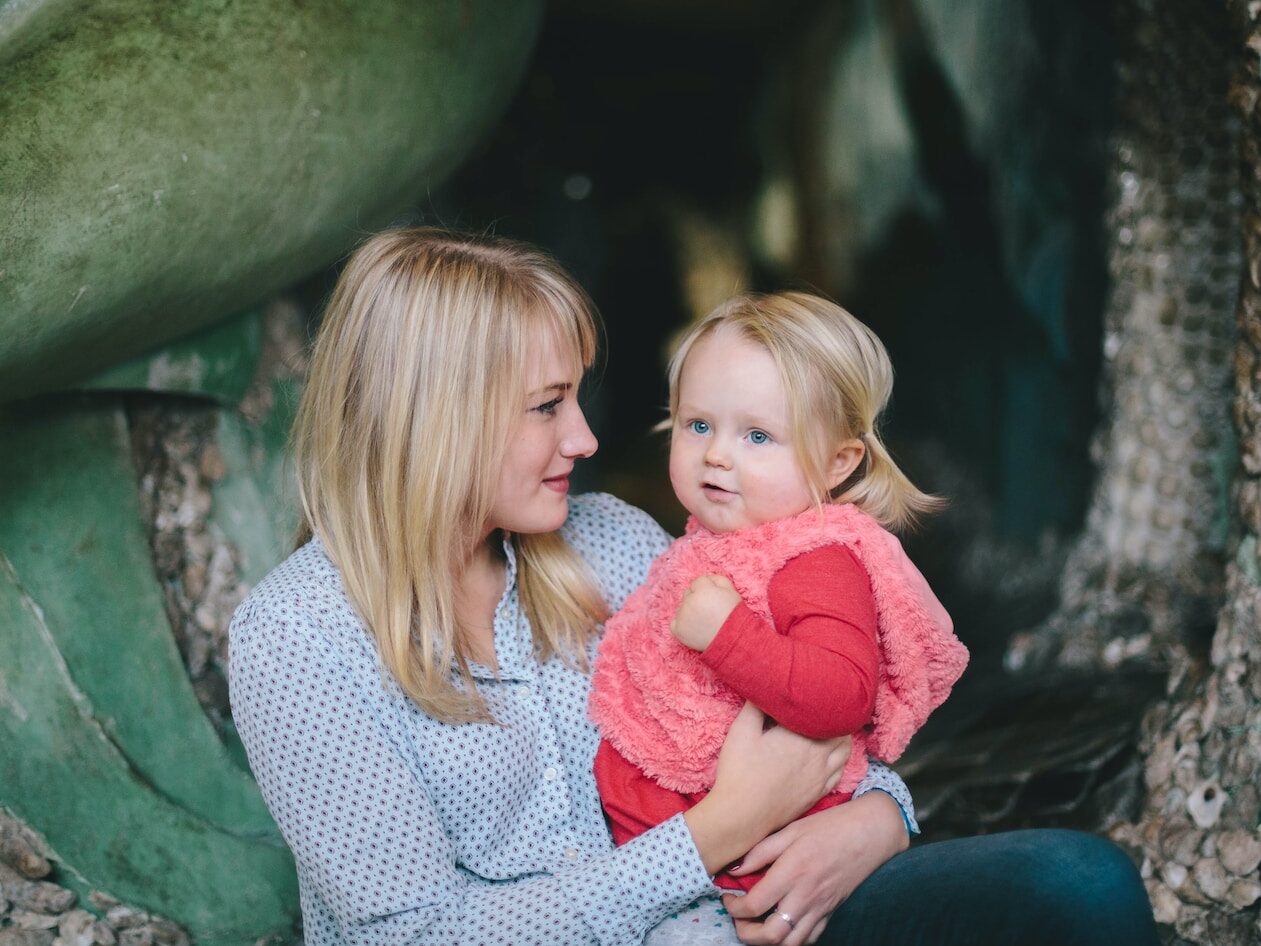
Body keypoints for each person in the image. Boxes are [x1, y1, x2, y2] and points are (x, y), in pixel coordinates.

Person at [229, 227, 1160, 946]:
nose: (587, 441)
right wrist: (713, 835)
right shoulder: (296, 637)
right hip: (669, 908)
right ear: (435, 420)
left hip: (737, 915)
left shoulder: (620, 544)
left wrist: (877, 822)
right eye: (548, 407)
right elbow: (415, 936)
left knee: (1078, 885)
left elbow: (797, 710)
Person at [588, 292, 968, 913]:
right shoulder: (714, 543)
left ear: (838, 462)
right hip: (679, 854)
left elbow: (843, 695)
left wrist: (727, 636)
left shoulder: (814, 559)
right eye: (698, 424)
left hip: (758, 863)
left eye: (758, 435)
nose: (716, 454)